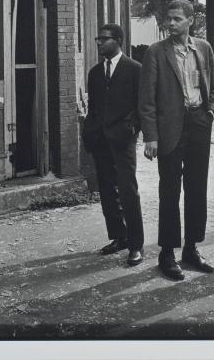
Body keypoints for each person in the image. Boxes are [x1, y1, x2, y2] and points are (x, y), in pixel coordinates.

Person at [139, 0, 214, 281]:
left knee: (197, 189)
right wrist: (151, 137)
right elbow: (146, 99)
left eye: (176, 19)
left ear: (190, 20)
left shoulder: (203, 48)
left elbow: (213, 85)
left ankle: (192, 249)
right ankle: (167, 253)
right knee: (170, 192)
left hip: (198, 124)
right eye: (168, 19)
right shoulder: (156, 53)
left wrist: (209, 112)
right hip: (170, 130)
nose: (170, 24)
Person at [82, 23, 144, 266]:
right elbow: (94, 107)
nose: (98, 43)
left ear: (117, 40)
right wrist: (90, 132)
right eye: (97, 39)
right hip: (100, 141)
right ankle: (119, 236)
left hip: (122, 140)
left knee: (128, 190)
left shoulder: (135, 69)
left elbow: (142, 105)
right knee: (107, 190)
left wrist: (132, 130)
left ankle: (136, 245)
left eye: (103, 39)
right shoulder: (95, 73)